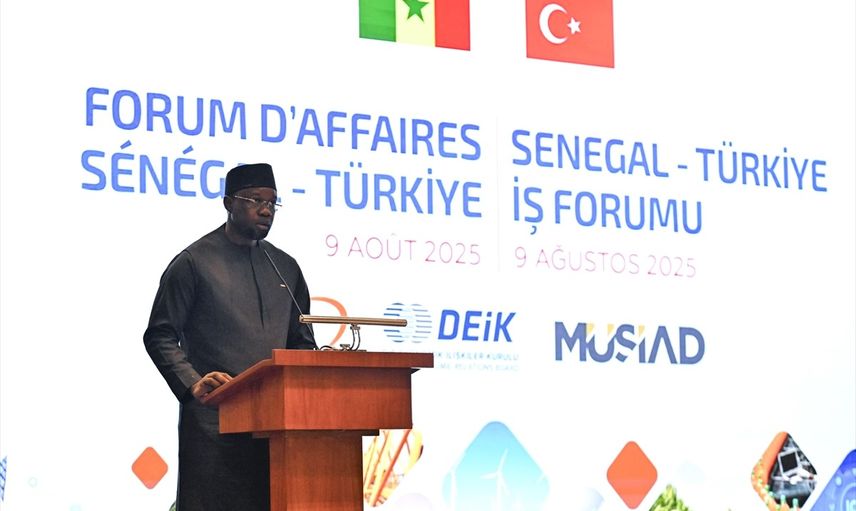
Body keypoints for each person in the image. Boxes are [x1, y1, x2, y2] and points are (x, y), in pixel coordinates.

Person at [143, 163, 318, 511]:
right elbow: (160, 334)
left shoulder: (286, 267)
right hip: (214, 423)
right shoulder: (193, 262)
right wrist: (192, 383)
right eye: (255, 200)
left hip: (274, 426)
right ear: (228, 203)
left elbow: (302, 342)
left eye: (272, 203)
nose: (266, 210)